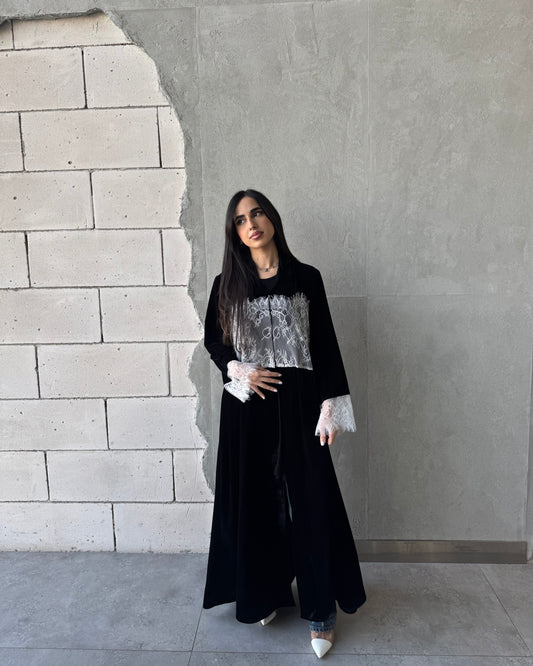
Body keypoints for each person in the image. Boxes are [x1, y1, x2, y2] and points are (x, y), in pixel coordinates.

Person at [202, 189, 366, 658]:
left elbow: (326, 344)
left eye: (256, 213)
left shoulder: (306, 278)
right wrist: (240, 369)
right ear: (234, 232)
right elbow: (215, 342)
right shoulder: (226, 283)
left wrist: (330, 405)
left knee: (312, 501)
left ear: (271, 218)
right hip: (248, 405)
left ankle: (321, 609)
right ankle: (265, 592)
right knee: (256, 500)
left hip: (300, 403)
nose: (250, 224)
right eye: (240, 220)